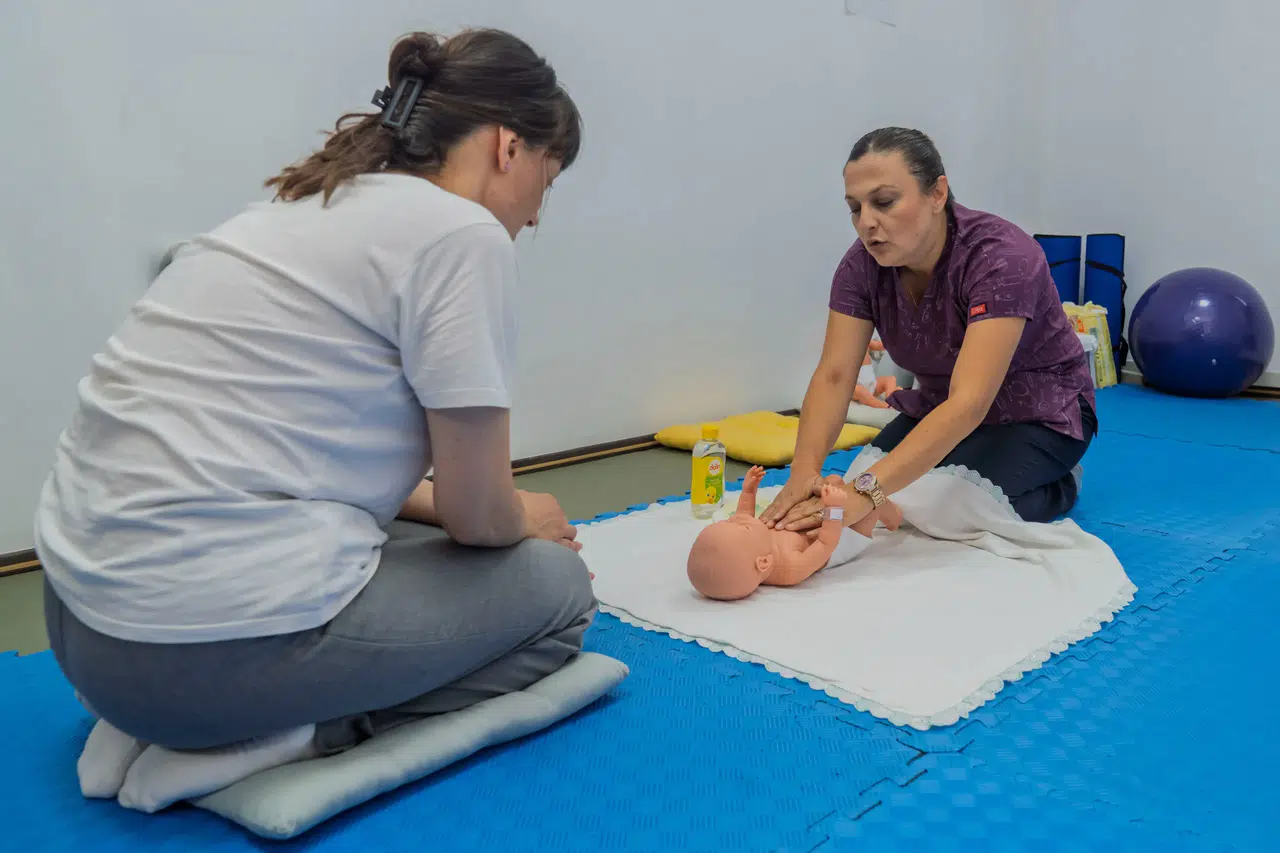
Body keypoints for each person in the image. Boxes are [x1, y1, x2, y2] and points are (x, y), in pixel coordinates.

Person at [35, 28, 597, 760]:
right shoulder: (463, 234)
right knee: (558, 593)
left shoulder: (298, 203)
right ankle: (281, 742)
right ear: (507, 146)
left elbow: (299, 454)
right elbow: (479, 515)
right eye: (545, 182)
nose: (535, 215)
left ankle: (209, 721)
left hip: (76, 620)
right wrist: (528, 513)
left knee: (423, 540)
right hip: (178, 661)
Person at [760, 127, 1097, 533]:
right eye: (855, 207)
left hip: (1040, 415)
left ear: (937, 193)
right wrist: (804, 473)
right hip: (940, 408)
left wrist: (865, 494)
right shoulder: (861, 267)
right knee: (868, 482)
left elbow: (970, 401)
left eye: (884, 202)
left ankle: (1062, 483)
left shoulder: (1001, 257)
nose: (866, 223)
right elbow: (834, 374)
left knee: (941, 507)